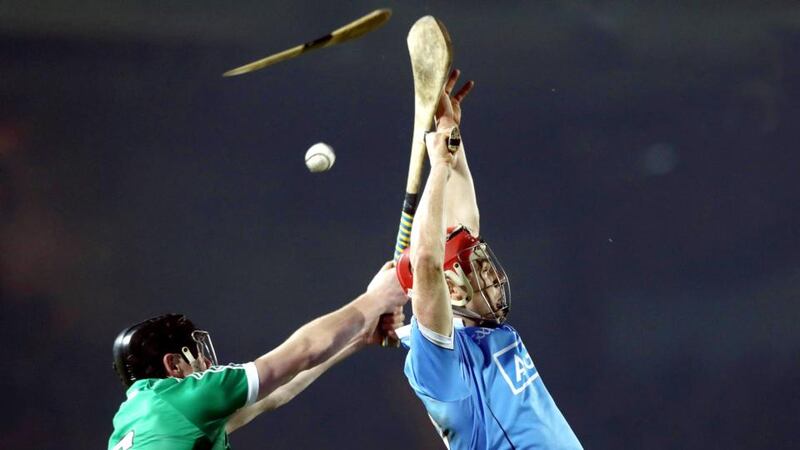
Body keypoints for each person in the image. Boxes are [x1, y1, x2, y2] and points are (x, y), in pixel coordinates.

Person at [394, 69, 583, 449]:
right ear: (451, 290)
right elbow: (430, 263)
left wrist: (451, 136)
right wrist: (440, 166)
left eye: (484, 265)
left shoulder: (486, 329)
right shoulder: (439, 364)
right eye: (477, 270)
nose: (492, 277)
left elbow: (464, 224)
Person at [108, 261, 406, 450]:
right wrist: (378, 298)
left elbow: (274, 395)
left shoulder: (142, 419)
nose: (208, 364)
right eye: (197, 354)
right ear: (173, 364)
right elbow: (304, 351)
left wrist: (358, 338)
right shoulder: (186, 398)